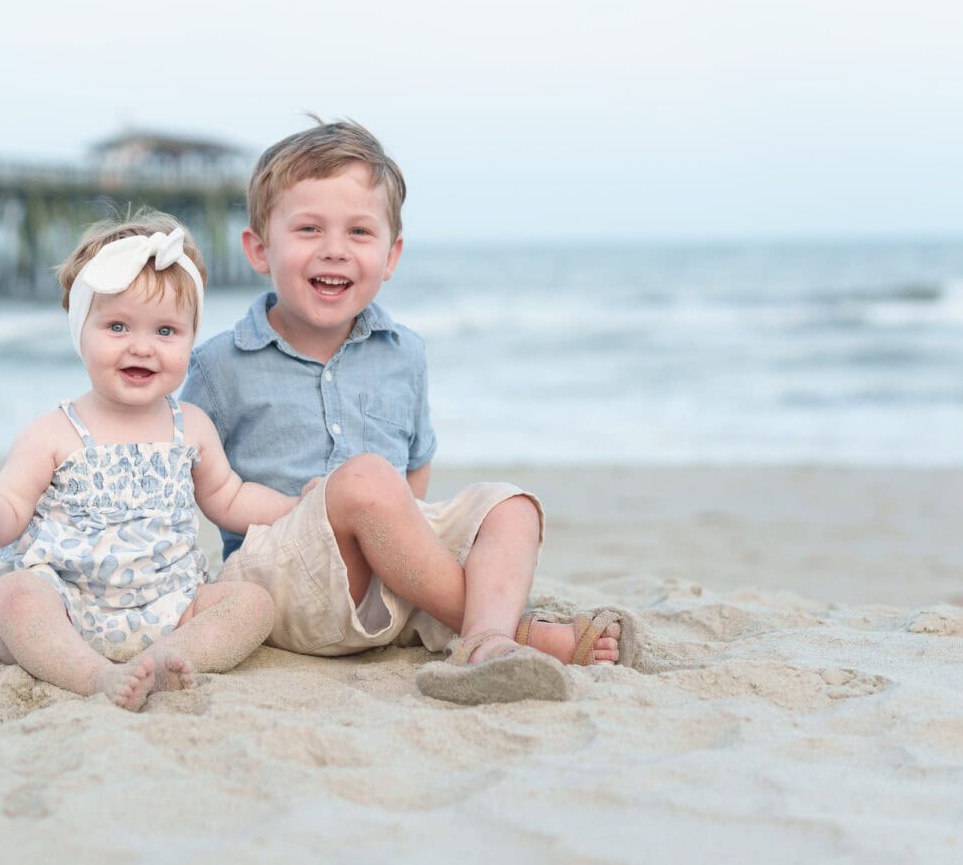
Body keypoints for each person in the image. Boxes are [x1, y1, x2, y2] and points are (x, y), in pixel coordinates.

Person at [180, 119, 642, 704]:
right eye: (308, 229)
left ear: (391, 255)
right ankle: (514, 631)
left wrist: (400, 531)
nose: (335, 249)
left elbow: (415, 471)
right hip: (285, 582)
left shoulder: (405, 352)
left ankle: (486, 641)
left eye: (359, 231)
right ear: (257, 249)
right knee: (367, 478)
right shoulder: (220, 364)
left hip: (391, 582)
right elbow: (179, 480)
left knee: (510, 505)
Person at [0, 212, 294, 711]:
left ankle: (166, 659)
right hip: (69, 606)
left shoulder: (189, 426)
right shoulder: (54, 432)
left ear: (192, 337)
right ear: (79, 330)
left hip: (170, 605)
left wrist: (296, 506)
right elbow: (9, 513)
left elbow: (230, 497)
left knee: (252, 604)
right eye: (117, 326)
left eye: (167, 330)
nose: (142, 346)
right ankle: (93, 676)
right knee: (13, 597)